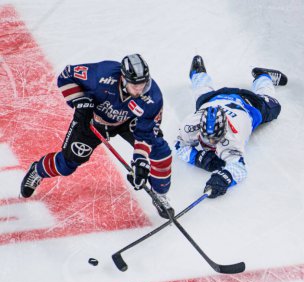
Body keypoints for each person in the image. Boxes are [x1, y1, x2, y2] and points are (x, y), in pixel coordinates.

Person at [20, 53, 174, 219]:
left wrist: (140, 160)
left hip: (127, 123)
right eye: (135, 85)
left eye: (143, 84)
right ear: (123, 78)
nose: (139, 89)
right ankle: (38, 170)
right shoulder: (102, 73)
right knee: (67, 164)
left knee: (160, 149)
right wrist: (80, 102)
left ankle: (159, 194)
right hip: (94, 122)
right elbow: (66, 76)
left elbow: (147, 133)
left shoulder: (153, 97)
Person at [175, 55, 287, 198]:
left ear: (225, 130)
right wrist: (198, 158)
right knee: (202, 93)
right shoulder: (190, 124)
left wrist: (223, 179)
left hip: (249, 102)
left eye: (215, 139)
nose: (210, 143)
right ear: (200, 125)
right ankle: (198, 72)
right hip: (214, 99)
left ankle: (262, 76)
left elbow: (239, 168)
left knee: (274, 106)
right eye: (206, 137)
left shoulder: (233, 139)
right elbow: (178, 145)